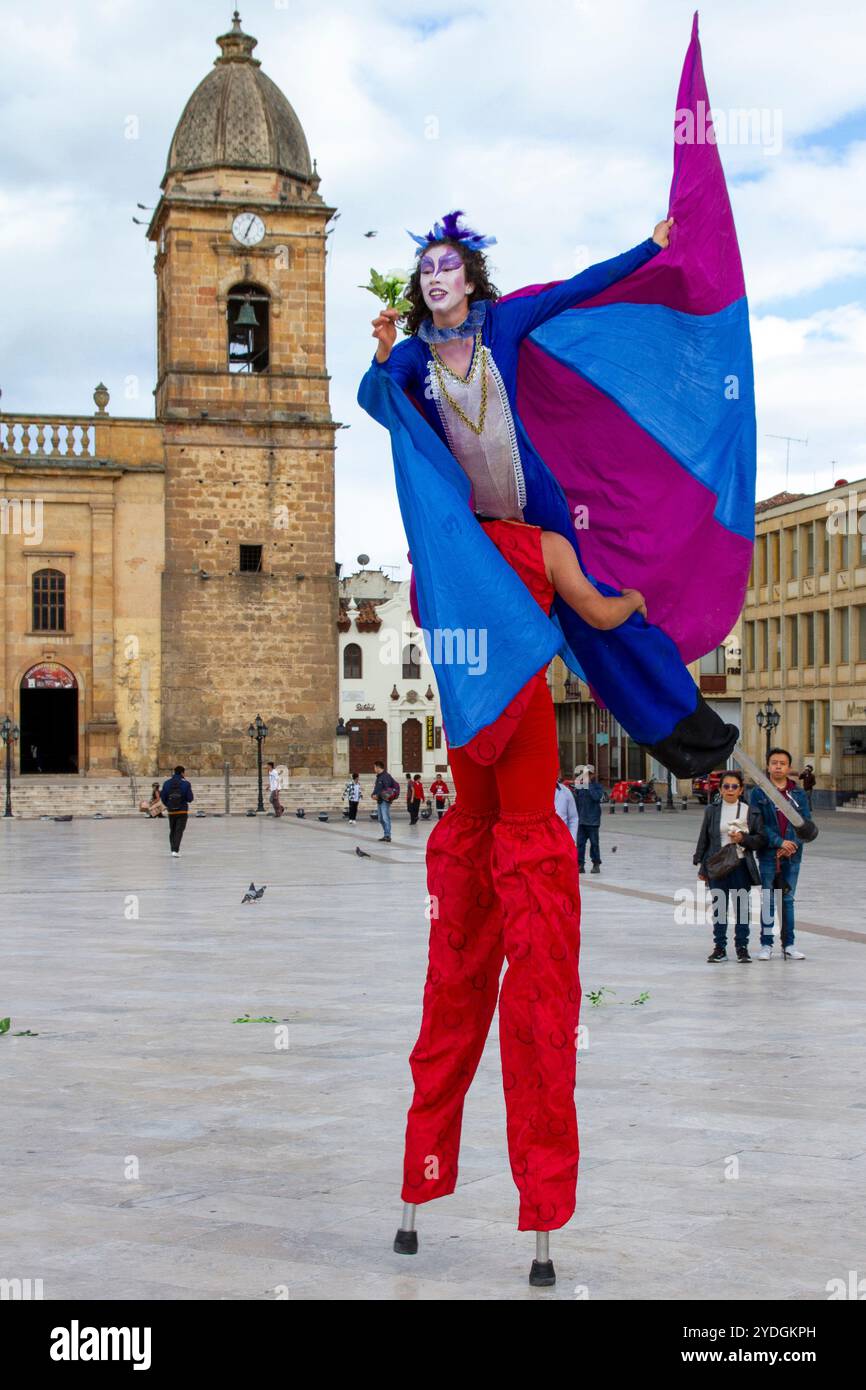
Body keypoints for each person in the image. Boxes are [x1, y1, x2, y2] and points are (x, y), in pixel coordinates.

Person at [693, 769, 767, 963]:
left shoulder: (750, 811)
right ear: (720, 789)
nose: (730, 790)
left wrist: (742, 838)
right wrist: (701, 867)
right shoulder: (712, 810)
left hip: (741, 864)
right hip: (717, 865)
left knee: (742, 908)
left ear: (741, 789)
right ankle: (720, 948)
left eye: (735, 786)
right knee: (719, 908)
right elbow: (704, 839)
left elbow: (760, 839)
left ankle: (742, 947)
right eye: (726, 786)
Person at [749, 747, 811, 961]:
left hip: (792, 855)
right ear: (768, 766)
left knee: (787, 900)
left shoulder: (798, 794)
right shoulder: (759, 792)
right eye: (774, 762)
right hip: (769, 855)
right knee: (768, 899)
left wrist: (791, 844)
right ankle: (766, 944)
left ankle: (789, 945)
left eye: (782, 763)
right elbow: (758, 824)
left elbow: (805, 824)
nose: (778, 766)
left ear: (789, 767)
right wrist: (778, 843)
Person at [574, 767, 604, 874]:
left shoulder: (597, 787)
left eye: (589, 774)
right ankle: (580, 865)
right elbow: (576, 802)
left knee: (594, 844)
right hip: (582, 821)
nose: (587, 776)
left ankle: (596, 864)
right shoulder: (580, 787)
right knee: (580, 844)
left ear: (593, 775)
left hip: (593, 821)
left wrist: (589, 785)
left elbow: (596, 797)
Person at [160, 765, 194, 856]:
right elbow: (190, 798)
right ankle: (175, 850)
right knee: (179, 831)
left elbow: (163, 797)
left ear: (174, 772)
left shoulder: (166, 783)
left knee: (172, 830)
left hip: (171, 811)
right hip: (182, 811)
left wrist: (169, 805)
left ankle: (173, 850)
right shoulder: (186, 783)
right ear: (182, 773)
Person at [372, 760, 400, 842]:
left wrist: (378, 795)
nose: (374, 769)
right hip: (379, 800)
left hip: (385, 801)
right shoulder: (378, 777)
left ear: (378, 767)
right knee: (380, 819)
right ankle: (386, 834)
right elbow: (376, 788)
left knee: (385, 818)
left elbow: (388, 790)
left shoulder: (386, 776)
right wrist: (373, 795)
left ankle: (388, 835)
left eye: (374, 767)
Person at [554, 773, 579, 843]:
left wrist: (571, 839)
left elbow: (573, 818)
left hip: (563, 841)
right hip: (543, 843)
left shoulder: (566, 791)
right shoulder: (537, 792)